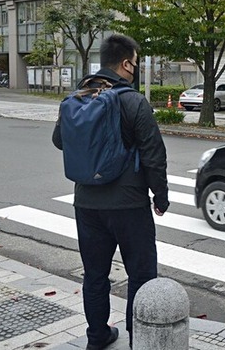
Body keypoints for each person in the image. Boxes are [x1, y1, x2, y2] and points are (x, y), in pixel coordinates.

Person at [52, 34, 169, 350]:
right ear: (127, 63)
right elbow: (154, 154)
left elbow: (59, 140)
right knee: (141, 275)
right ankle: (139, 341)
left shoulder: (78, 97)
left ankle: (97, 337)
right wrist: (161, 197)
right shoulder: (132, 101)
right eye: (135, 61)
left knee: (95, 275)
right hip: (129, 205)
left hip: (87, 204)